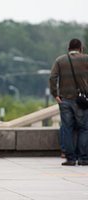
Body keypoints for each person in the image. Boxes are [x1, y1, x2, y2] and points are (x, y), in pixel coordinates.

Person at [49, 38, 88, 166]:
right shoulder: (85, 59)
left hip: (65, 99)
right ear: (81, 48)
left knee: (67, 128)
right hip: (82, 100)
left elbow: (52, 77)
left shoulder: (60, 60)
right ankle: (83, 158)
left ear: (68, 49)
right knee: (83, 128)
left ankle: (70, 159)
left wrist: (55, 94)